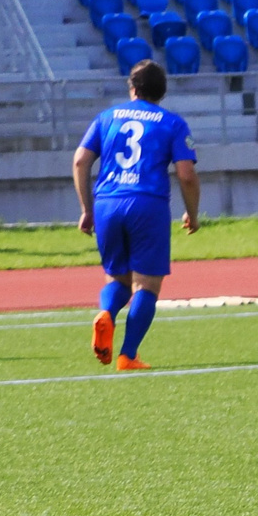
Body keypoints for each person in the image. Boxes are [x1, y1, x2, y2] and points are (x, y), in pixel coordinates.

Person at [73, 58, 200, 372]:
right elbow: (186, 174)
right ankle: (128, 355)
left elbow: (80, 161)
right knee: (146, 286)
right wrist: (192, 213)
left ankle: (106, 314)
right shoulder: (172, 123)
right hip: (147, 203)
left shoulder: (107, 117)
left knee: (118, 278)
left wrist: (87, 208)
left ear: (132, 88)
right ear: (162, 92)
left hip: (108, 203)